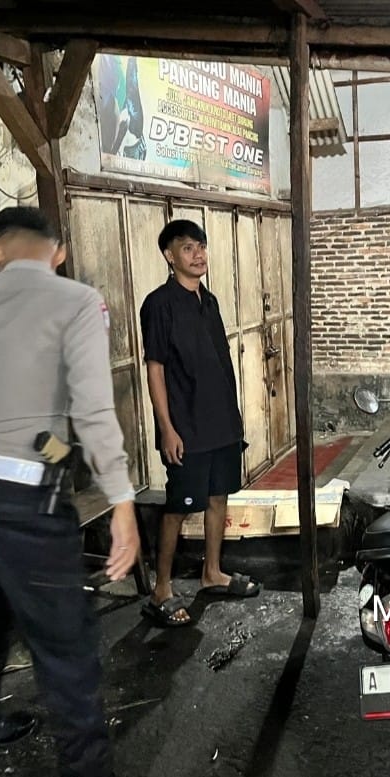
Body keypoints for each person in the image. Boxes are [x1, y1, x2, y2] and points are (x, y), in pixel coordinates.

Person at [0, 206, 145, 777]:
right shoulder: (76, 302)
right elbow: (92, 410)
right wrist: (122, 503)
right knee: (66, 646)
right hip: (29, 497)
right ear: (59, 252)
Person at [139, 219, 261, 628]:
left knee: (218, 497)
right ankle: (161, 589)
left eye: (202, 247)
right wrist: (167, 428)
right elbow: (155, 369)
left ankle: (212, 572)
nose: (198, 255)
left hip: (220, 422)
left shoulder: (209, 301)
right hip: (186, 426)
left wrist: (235, 421)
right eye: (188, 248)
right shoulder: (159, 304)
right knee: (178, 507)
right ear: (169, 255)